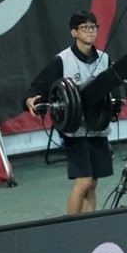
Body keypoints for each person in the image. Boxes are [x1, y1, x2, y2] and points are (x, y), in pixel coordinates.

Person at [23, 11, 115, 214]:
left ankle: (88, 226)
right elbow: (37, 87)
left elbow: (113, 90)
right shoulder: (62, 61)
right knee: (84, 182)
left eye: (93, 27)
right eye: (85, 27)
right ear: (74, 32)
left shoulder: (105, 58)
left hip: (98, 128)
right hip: (75, 131)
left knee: (93, 183)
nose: (91, 31)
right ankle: (70, 227)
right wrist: (29, 100)